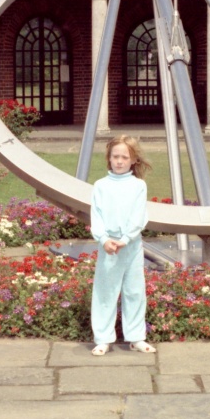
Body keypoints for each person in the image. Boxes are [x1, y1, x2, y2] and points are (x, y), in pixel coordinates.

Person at [89, 135, 156, 356]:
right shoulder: (100, 186)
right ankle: (103, 338)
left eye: (124, 157)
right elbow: (96, 216)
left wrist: (126, 239)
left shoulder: (138, 185)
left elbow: (138, 216)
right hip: (108, 246)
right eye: (115, 156)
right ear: (109, 158)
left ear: (133, 159)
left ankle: (136, 337)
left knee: (134, 291)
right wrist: (104, 239)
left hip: (131, 246)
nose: (119, 161)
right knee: (105, 292)